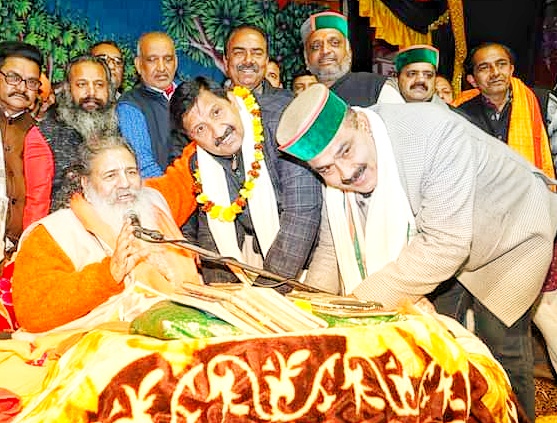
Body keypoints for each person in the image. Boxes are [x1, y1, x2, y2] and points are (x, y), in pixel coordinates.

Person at [275, 83, 557, 421]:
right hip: (441, 235)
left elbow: (445, 246)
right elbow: (331, 245)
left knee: (500, 344)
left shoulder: (434, 133)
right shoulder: (345, 161)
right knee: (436, 340)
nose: (345, 173)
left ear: (361, 123)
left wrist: (355, 306)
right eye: (325, 169)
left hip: (510, 229)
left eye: (346, 151)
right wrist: (314, 311)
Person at [11, 135, 200, 334]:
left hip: (183, 325)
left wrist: (208, 127)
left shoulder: (152, 201)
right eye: (111, 176)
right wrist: (108, 275)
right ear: (85, 183)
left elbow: (186, 175)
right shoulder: (54, 233)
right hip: (99, 342)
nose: (125, 183)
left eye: (131, 172)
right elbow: (33, 312)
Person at [147, 76, 322, 290]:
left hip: (319, 256)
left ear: (230, 99)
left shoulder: (280, 126)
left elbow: (302, 213)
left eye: (216, 112)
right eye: (200, 129)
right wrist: (220, 294)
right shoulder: (200, 163)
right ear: (191, 138)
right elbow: (212, 234)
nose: (218, 132)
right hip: (266, 262)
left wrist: (264, 294)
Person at [454, 42, 555, 179]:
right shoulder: (460, 114)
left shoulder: (543, 102)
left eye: (501, 64)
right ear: (472, 80)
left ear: (511, 70)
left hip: (537, 189)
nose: (495, 73)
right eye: (484, 68)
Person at [35, 55, 118, 210]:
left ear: (109, 89)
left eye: (99, 85)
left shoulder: (120, 129)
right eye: (82, 84)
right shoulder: (47, 132)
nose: (91, 92)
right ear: (67, 89)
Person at [0, 41, 53, 253]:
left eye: (31, 82)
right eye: (13, 78)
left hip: (16, 252)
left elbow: (39, 201)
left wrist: (25, 250)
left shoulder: (40, 135)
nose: (22, 88)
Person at [301, 11, 402, 106]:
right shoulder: (303, 101)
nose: (325, 51)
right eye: (316, 46)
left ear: (349, 53)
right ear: (306, 58)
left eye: (335, 43)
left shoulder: (376, 87)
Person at [117, 32, 178, 177]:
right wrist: (171, 189)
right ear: (138, 65)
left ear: (176, 62)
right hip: (160, 187)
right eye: (152, 60)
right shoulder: (130, 105)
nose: (161, 68)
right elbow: (143, 164)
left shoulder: (192, 95)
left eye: (168, 59)